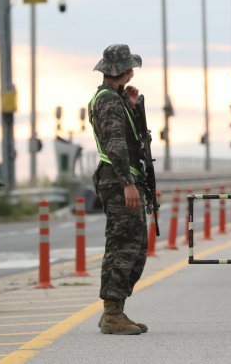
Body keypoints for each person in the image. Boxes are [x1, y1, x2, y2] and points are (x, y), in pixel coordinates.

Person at [89, 44, 148, 335]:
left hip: (120, 178)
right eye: (130, 68)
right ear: (125, 70)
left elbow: (127, 137)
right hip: (117, 180)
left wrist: (133, 107)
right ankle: (112, 313)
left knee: (135, 247)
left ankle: (115, 310)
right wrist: (128, 184)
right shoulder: (109, 101)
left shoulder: (115, 98)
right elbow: (115, 144)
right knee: (123, 246)